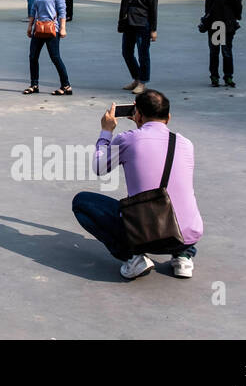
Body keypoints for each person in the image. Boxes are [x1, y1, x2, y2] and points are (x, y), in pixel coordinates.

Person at [72, 90, 203, 280]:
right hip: (186, 237)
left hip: (146, 235)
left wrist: (106, 131)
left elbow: (99, 168)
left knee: (82, 202)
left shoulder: (128, 139)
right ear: (168, 117)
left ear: (138, 115)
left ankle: (133, 258)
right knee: (179, 200)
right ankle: (183, 257)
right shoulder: (186, 143)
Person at [22, 0, 71, 95]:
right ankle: (34, 85)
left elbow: (62, 9)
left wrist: (63, 28)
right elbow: (33, 9)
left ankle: (66, 85)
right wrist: (30, 26)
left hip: (52, 27)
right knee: (33, 56)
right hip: (38, 27)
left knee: (55, 57)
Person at [118, 0, 159, 95]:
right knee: (126, 52)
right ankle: (136, 78)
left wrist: (153, 29)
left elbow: (153, 8)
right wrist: (121, 21)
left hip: (142, 23)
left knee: (143, 54)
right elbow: (124, 1)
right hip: (128, 22)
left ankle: (143, 81)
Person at [201, 0, 242, 87]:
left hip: (226, 25)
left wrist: (234, 19)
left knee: (226, 52)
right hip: (214, 24)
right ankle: (214, 77)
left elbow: (238, 6)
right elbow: (208, 5)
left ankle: (228, 76)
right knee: (214, 52)